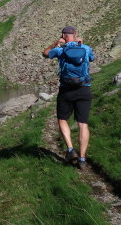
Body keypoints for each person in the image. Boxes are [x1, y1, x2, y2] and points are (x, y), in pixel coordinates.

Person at [42, 26, 95, 170]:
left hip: (66, 90)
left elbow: (45, 53)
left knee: (62, 119)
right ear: (75, 35)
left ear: (63, 36)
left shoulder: (60, 50)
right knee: (83, 124)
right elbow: (92, 58)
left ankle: (71, 150)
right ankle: (82, 159)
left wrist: (56, 43)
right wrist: (81, 44)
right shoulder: (86, 48)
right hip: (84, 89)